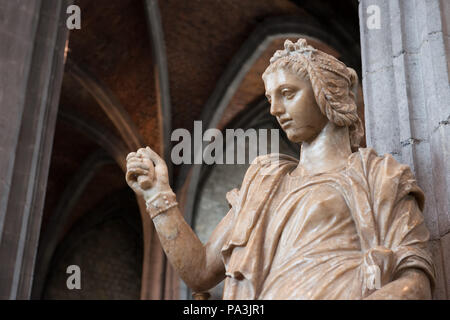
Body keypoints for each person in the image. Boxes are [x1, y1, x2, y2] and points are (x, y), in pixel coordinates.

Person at [126, 39, 435, 299]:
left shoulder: (380, 176)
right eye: (271, 98)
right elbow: (200, 271)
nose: (275, 109)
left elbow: (416, 283)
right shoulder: (265, 182)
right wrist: (157, 194)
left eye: (288, 93)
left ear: (325, 92)